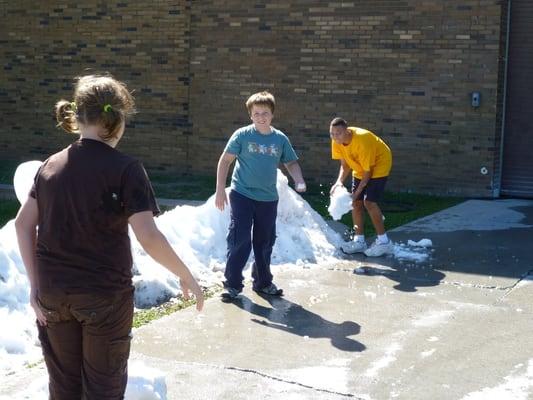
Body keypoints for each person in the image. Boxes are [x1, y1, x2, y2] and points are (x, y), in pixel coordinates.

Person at [14, 74, 204, 400]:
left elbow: (22, 224)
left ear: (78, 117)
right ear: (117, 120)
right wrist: (185, 274)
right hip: (104, 296)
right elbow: (148, 235)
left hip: (53, 294)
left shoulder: (49, 167)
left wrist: (35, 288)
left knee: (63, 389)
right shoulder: (126, 168)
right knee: (103, 391)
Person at [215, 91, 306, 300]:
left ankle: (263, 282)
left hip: (268, 198)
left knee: (265, 241)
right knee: (240, 238)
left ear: (272, 114)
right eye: (256, 113)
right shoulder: (242, 135)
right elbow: (225, 160)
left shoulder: (279, 139)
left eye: (265, 113)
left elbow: (291, 162)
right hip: (242, 194)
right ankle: (233, 284)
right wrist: (221, 189)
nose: (261, 117)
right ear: (250, 115)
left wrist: (298, 179)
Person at [329, 117, 393, 257]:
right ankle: (359, 241)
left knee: (368, 202)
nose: (334, 137)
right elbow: (345, 165)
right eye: (332, 133)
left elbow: (368, 172)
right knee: (356, 204)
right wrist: (339, 181)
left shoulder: (362, 140)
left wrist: (355, 193)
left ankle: (384, 243)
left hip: (379, 164)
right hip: (360, 167)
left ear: (347, 131)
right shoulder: (336, 141)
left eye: (338, 133)